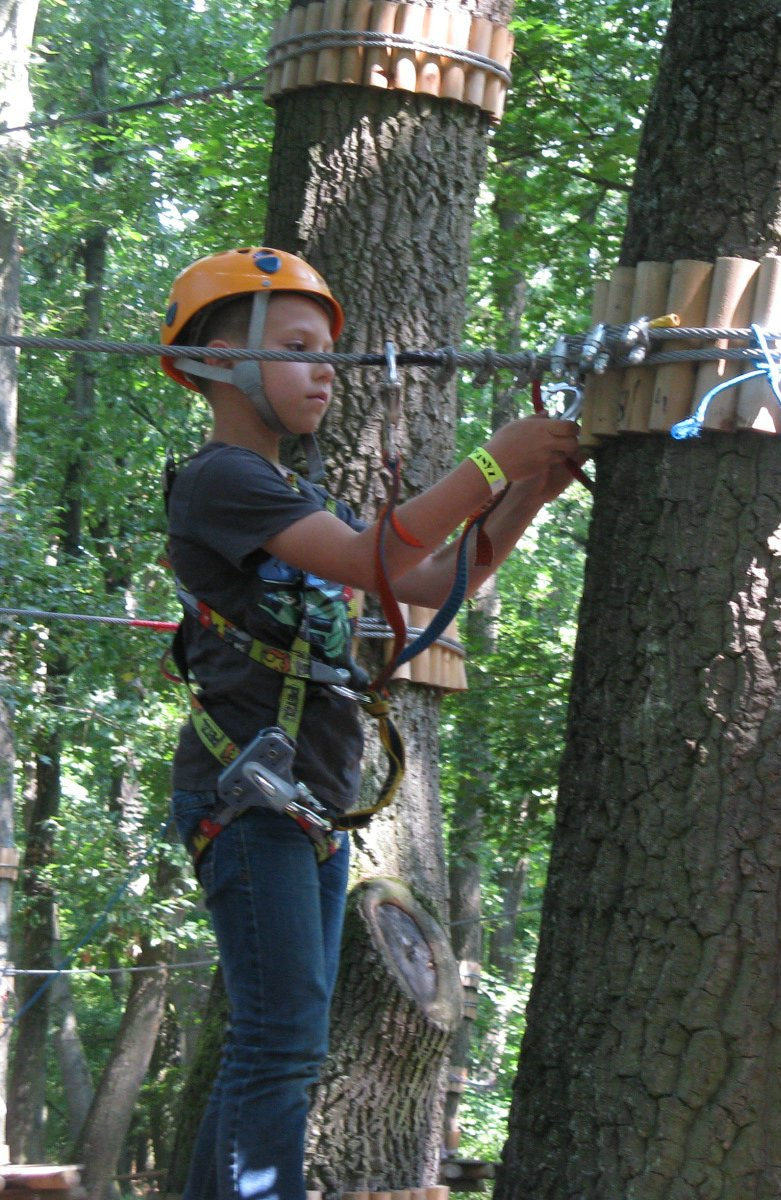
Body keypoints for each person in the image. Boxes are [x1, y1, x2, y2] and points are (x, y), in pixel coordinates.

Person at [159, 246, 582, 1200]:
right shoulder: (224, 479)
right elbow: (367, 558)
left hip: (305, 798)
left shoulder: (301, 496)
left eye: (331, 353)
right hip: (250, 795)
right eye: (302, 349)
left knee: (279, 1043)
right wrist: (490, 461)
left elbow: (430, 581)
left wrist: (525, 492)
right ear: (218, 361)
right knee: (282, 1040)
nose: (326, 372)